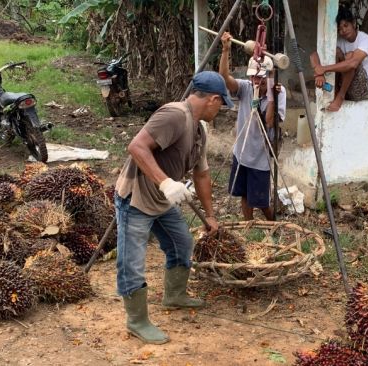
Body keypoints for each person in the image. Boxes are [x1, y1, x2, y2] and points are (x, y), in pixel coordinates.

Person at [113, 71, 231, 344]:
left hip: (162, 201)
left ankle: (174, 295)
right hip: (137, 199)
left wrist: (210, 215)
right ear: (213, 99)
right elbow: (137, 146)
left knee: (181, 243)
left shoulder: (199, 129)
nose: (221, 109)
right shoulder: (174, 115)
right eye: (222, 104)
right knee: (131, 260)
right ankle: (137, 321)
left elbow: (202, 174)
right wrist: (166, 182)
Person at [219, 31, 286, 221]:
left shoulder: (278, 93)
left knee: (261, 200)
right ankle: (248, 226)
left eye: (261, 79)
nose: (256, 82)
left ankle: (272, 225)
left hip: (260, 156)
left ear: (269, 77)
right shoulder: (246, 88)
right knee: (244, 194)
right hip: (242, 152)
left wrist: (272, 94)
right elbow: (225, 79)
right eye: (254, 78)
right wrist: (225, 51)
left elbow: (270, 122)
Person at [309, 4, 368, 112]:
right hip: (345, 85)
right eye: (340, 29)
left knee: (350, 57)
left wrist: (324, 68)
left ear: (353, 23)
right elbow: (314, 55)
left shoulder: (365, 39)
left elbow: (353, 63)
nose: (343, 31)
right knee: (335, 52)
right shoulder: (339, 41)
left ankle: (340, 97)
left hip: (363, 89)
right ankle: (335, 92)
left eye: (346, 25)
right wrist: (319, 72)